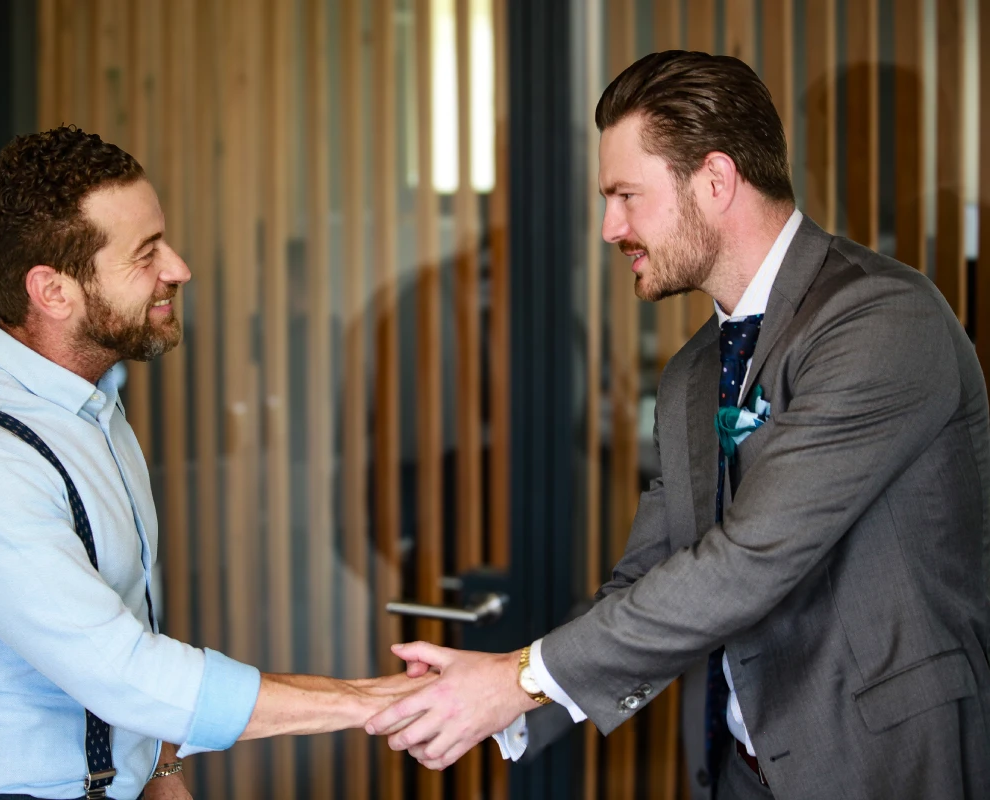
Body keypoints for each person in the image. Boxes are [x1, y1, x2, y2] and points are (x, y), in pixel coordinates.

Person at [366, 50, 990, 799]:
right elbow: (655, 571)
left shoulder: (882, 320)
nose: (608, 227)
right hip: (737, 773)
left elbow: (748, 561)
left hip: (882, 769)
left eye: (626, 195)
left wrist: (521, 679)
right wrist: (511, 690)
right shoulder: (696, 369)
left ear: (717, 180)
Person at [0, 126, 427, 800]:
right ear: (53, 292)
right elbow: (125, 670)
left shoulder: (91, 403)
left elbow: (128, 616)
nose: (178, 267)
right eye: (146, 254)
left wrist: (160, 766)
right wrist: (371, 703)